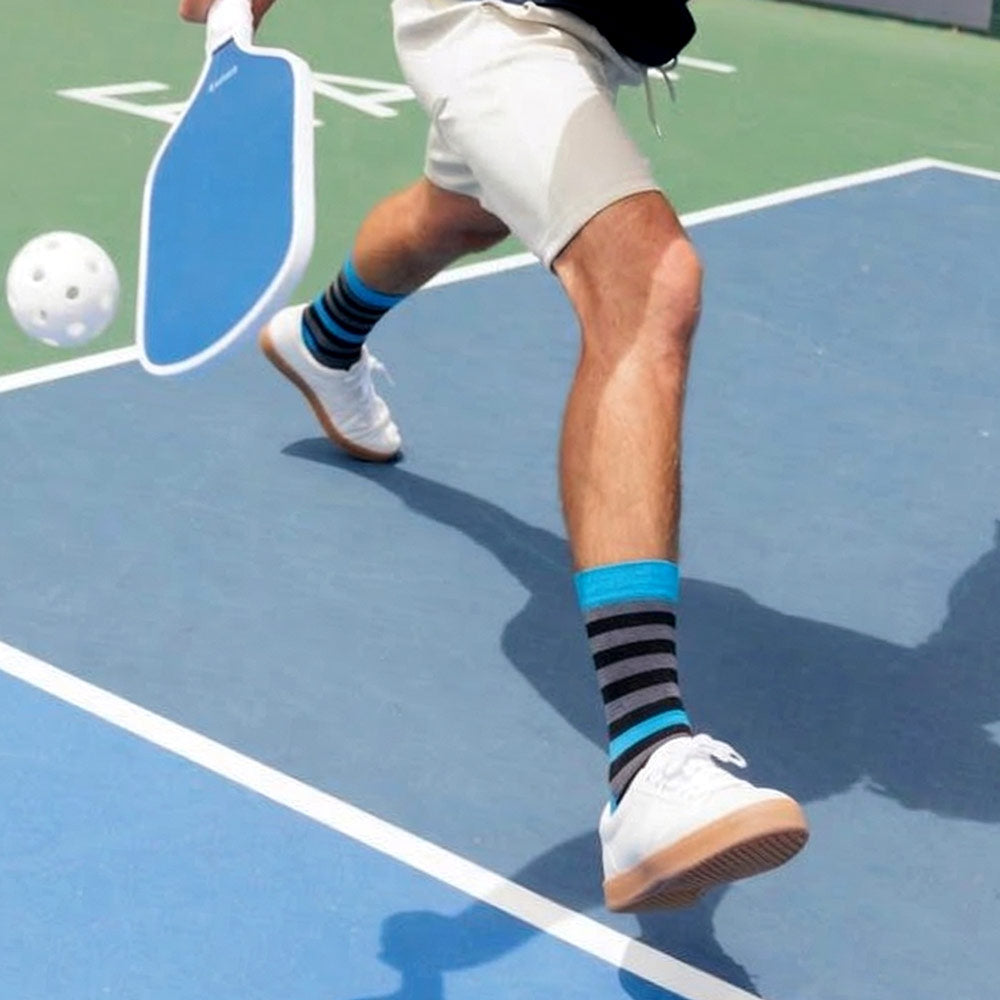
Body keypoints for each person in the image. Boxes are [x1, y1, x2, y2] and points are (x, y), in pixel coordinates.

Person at [179, 0, 809, 911]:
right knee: (645, 282)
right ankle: (645, 757)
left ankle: (324, 338)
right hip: (492, 12)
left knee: (462, 211)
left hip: (590, 30)